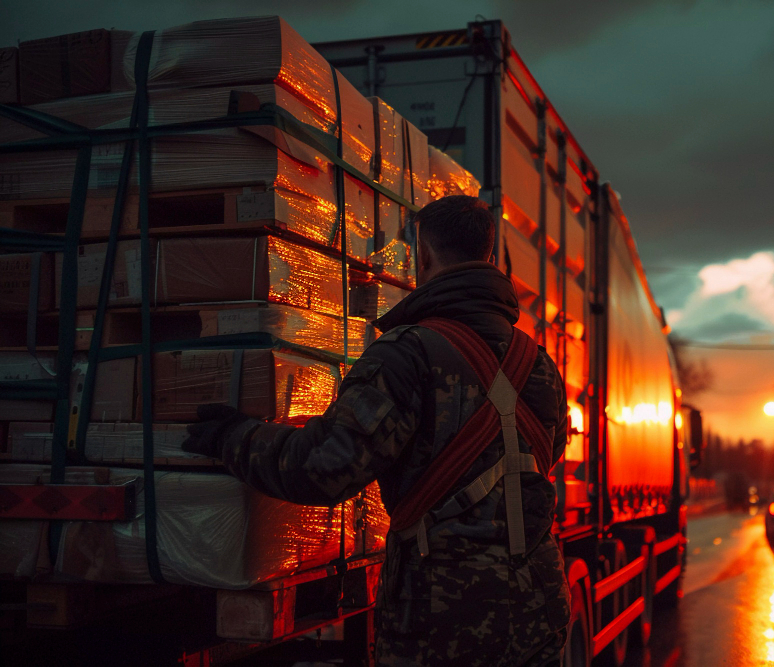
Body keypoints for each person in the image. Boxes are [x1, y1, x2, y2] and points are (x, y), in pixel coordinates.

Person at [183, 194, 571, 666]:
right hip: (539, 608)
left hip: (446, 618)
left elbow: (326, 467)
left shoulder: (407, 353)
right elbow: (546, 456)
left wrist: (234, 437)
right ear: (489, 256)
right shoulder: (540, 364)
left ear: (423, 255)